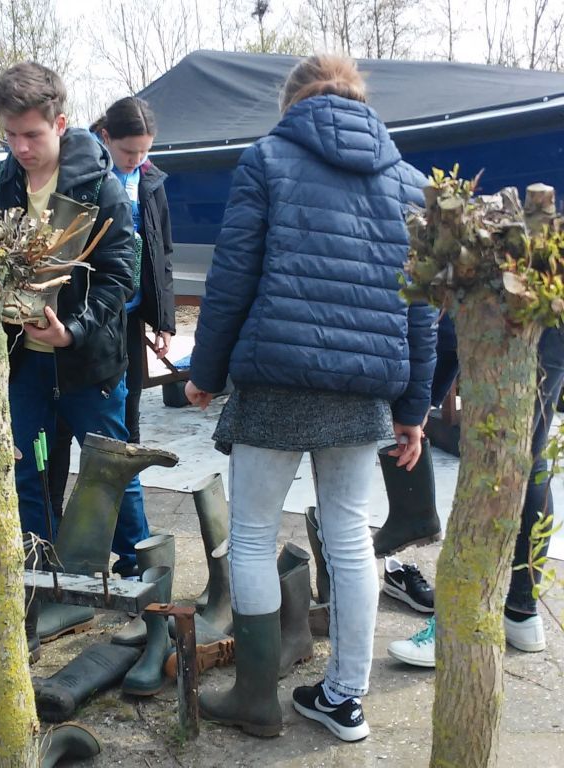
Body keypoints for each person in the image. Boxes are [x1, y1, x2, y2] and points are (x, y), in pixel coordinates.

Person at [184, 54, 437, 742]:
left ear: (292, 102)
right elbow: (423, 310)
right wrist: (413, 411)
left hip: (275, 375)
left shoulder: (267, 159)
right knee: (351, 537)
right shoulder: (408, 181)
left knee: (253, 534)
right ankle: (346, 699)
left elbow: (232, 277)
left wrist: (205, 371)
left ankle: (256, 698)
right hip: (364, 390)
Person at [0, 62, 150, 577]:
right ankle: (43, 574)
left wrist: (73, 330)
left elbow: (120, 276)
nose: (20, 147)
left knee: (111, 470)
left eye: (32, 134)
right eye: (10, 135)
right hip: (21, 363)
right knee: (27, 470)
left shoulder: (101, 188)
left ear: (61, 124)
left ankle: (139, 572)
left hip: (89, 363)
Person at [388, 318, 564, 666]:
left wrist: (423, 401)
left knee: (493, 464)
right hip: (550, 316)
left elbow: (455, 321)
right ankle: (521, 613)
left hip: (511, 320)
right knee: (530, 458)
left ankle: (459, 629)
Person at [47, 96, 176, 517]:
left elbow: (160, 253)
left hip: (130, 314)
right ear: (105, 138)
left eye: (144, 152)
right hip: (88, 315)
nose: (137, 160)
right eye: (128, 152)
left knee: (127, 416)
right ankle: (58, 519)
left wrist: (164, 319)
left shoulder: (151, 180)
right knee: (69, 424)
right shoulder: (82, 179)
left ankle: (122, 511)